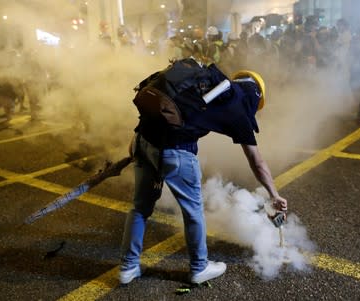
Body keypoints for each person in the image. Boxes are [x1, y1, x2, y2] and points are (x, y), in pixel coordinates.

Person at [119, 59, 288, 285]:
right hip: (176, 151)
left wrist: (138, 143)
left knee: (140, 208)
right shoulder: (237, 105)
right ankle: (199, 267)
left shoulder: (205, 85)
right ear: (256, 97)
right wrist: (274, 195)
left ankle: (128, 268)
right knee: (193, 211)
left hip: (144, 140)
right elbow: (257, 163)